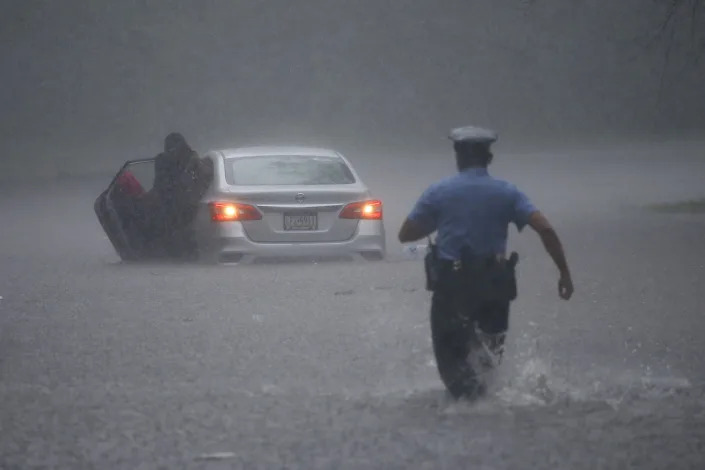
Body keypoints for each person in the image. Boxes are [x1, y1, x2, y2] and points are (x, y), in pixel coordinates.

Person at [397, 125, 574, 397]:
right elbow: (546, 230)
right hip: (495, 288)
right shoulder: (508, 192)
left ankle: (462, 416)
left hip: (451, 290)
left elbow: (405, 234)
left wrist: (439, 221)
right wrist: (564, 274)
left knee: (453, 371)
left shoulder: (438, 192)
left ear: (458, 157)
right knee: (487, 367)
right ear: (488, 158)